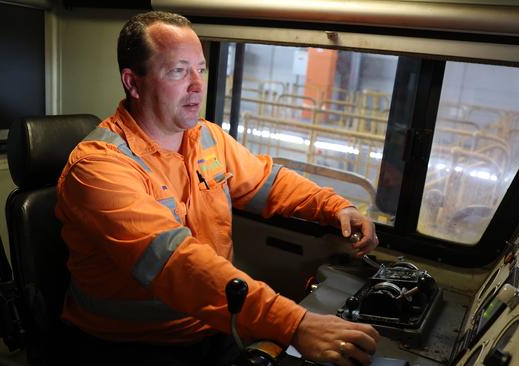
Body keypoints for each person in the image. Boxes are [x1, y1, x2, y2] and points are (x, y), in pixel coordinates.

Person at [55, 10, 380, 366]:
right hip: (127, 346)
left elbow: (268, 183)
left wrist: (334, 207)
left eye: (201, 69)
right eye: (178, 71)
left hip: (211, 328)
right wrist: (295, 323)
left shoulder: (205, 138)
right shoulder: (98, 167)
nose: (197, 84)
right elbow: (178, 263)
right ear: (133, 83)